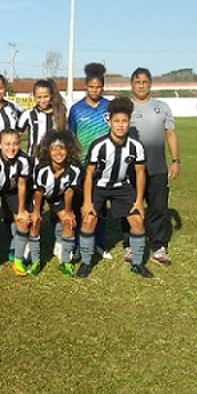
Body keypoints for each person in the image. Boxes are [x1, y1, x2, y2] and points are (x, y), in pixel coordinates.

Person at [78, 97, 152, 278]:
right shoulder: (98, 145)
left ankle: (137, 263)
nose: (120, 125)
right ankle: (86, 262)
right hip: (99, 186)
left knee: (137, 221)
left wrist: (139, 201)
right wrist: (87, 202)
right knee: (89, 220)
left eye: (124, 121)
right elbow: (88, 175)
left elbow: (141, 173)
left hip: (122, 187)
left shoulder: (136, 146)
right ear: (109, 122)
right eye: (116, 121)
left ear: (129, 122)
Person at [124, 67, 180, 265]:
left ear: (150, 84)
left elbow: (171, 133)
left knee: (158, 208)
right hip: (130, 169)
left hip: (157, 167)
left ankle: (159, 247)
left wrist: (176, 160)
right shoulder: (125, 107)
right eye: (137, 82)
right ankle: (130, 246)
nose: (141, 85)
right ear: (131, 84)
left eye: (145, 82)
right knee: (130, 206)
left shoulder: (162, 106)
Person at [68, 62, 112, 261]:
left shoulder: (109, 107)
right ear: (85, 87)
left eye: (99, 87)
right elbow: (71, 137)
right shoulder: (76, 110)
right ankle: (78, 244)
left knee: (100, 205)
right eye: (91, 87)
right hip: (82, 165)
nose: (95, 90)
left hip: (105, 166)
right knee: (80, 205)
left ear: (103, 87)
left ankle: (98, 243)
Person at [26, 130, 82, 278]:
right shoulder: (42, 169)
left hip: (57, 196)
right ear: (47, 151)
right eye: (53, 149)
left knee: (68, 222)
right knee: (35, 222)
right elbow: (38, 192)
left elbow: (69, 191)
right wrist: (37, 212)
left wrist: (68, 211)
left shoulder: (74, 169)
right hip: (40, 196)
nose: (58, 152)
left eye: (62, 148)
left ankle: (65, 261)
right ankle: (36, 260)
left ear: (69, 149)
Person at [0, 129, 32, 278]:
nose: (11, 148)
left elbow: (22, 185)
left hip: (12, 189)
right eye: (7, 144)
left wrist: (22, 210)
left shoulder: (24, 159)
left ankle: (18, 259)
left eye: (15, 144)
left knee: (22, 221)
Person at [17, 79, 67, 157]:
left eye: (46, 96)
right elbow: (16, 136)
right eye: (39, 97)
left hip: (55, 159)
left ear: (51, 95)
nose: (43, 100)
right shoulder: (28, 114)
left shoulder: (60, 114)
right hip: (34, 160)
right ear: (34, 96)